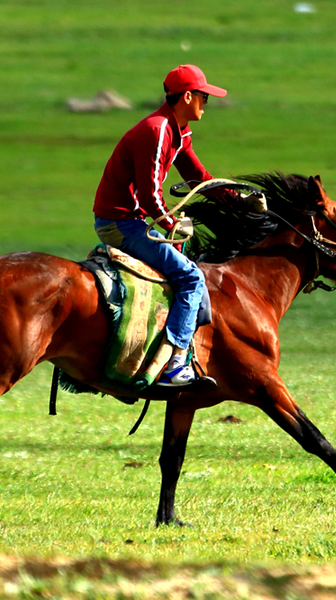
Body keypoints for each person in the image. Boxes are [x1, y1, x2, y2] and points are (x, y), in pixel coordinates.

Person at [92, 64, 227, 387]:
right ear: (188, 96)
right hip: (120, 223)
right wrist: (171, 223)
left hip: (133, 220)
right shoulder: (157, 131)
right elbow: (149, 194)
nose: (206, 103)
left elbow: (198, 178)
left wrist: (237, 198)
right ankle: (176, 364)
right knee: (192, 278)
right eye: (204, 97)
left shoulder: (179, 131)